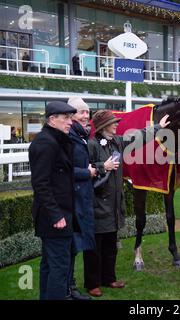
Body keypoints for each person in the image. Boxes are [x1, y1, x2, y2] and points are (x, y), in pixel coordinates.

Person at [85, 109, 170, 297]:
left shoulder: (117, 141)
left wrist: (157, 128)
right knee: (95, 248)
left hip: (114, 204)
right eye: (113, 122)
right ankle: (92, 283)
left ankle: (109, 278)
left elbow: (137, 137)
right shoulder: (91, 145)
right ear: (103, 126)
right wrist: (102, 167)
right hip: (98, 203)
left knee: (110, 245)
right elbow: (84, 171)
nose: (117, 124)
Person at [29, 101, 80, 300]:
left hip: (60, 213)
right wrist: (56, 215)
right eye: (66, 118)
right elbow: (40, 184)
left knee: (51, 264)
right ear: (52, 119)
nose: (71, 122)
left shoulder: (56, 140)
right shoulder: (45, 143)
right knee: (59, 266)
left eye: (70, 118)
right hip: (55, 217)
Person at [66, 96, 97, 300]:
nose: (86, 116)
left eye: (87, 112)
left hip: (81, 199)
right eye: (81, 112)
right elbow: (64, 170)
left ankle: (70, 286)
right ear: (71, 115)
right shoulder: (69, 137)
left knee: (74, 248)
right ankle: (68, 289)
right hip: (72, 201)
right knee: (69, 249)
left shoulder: (81, 135)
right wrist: (88, 173)